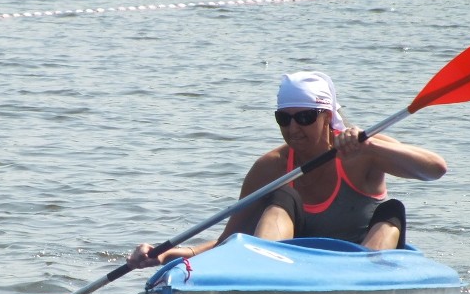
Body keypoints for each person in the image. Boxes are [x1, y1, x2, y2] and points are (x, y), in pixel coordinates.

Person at [127, 71, 447, 269]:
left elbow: (435, 169)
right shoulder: (271, 168)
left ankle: (360, 277)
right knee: (281, 197)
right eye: (285, 118)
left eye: (305, 117)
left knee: (392, 212)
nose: (294, 128)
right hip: (291, 270)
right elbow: (230, 241)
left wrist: (374, 146)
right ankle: (264, 272)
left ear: (327, 117)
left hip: (362, 266)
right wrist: (167, 255)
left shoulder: (363, 153)